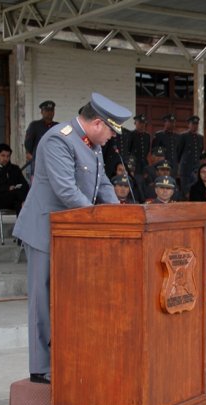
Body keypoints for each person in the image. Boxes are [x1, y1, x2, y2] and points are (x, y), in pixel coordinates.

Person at [13, 93, 130, 384]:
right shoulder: (58, 140)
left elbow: (102, 182)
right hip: (44, 232)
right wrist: (98, 218)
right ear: (98, 123)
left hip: (72, 233)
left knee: (67, 298)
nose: (112, 139)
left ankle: (67, 355)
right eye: (111, 132)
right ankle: (41, 367)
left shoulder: (92, 144)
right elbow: (66, 191)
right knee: (42, 299)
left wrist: (122, 216)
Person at [24, 100, 58, 176]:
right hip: (38, 161)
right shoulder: (35, 125)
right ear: (42, 112)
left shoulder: (57, 126)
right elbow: (28, 143)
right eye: (47, 110)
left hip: (54, 161)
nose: (49, 113)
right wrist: (30, 154)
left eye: (51, 110)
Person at [0, 143, 29, 214]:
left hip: (15, 199)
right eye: (3, 155)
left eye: (8, 156)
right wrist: (7, 188)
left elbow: (25, 185)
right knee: (20, 198)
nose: (5, 159)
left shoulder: (14, 169)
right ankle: (27, 203)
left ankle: (21, 225)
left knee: (19, 203)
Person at [177, 115, 204, 198]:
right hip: (185, 167)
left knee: (196, 189)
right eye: (193, 124)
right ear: (188, 124)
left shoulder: (200, 137)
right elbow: (179, 151)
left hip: (196, 167)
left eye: (196, 124)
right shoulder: (183, 136)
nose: (195, 126)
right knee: (185, 190)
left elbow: (200, 151)